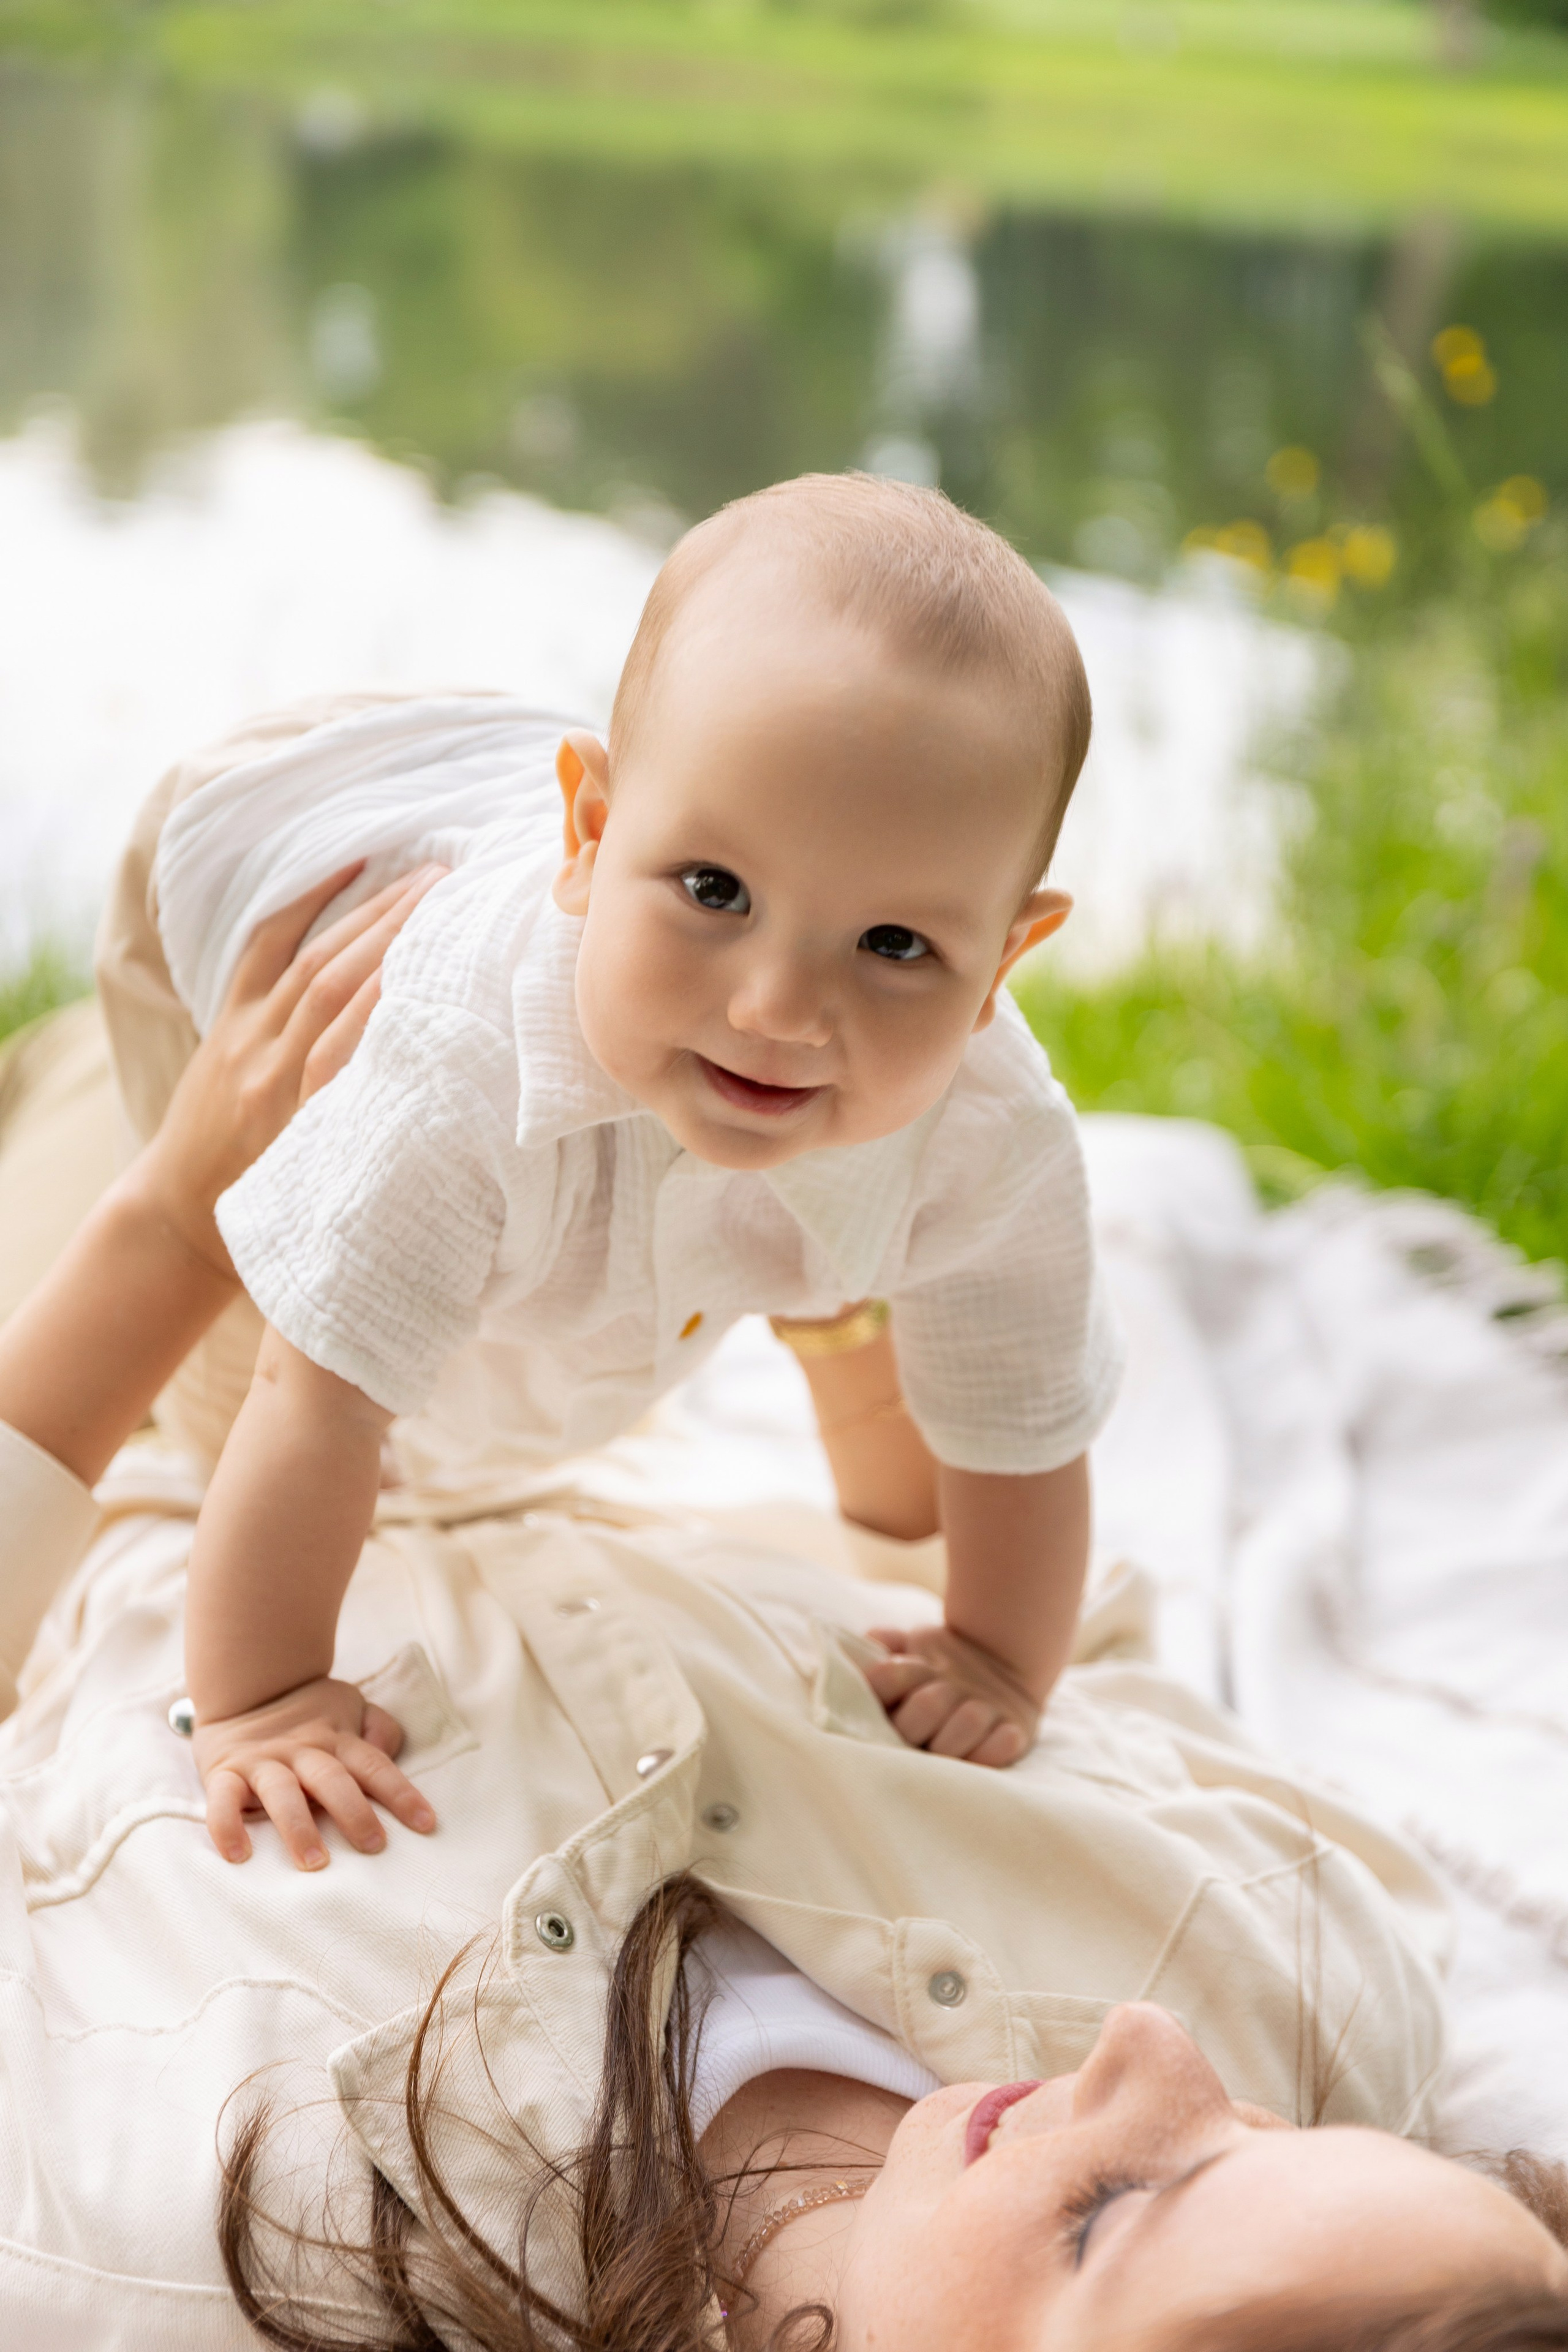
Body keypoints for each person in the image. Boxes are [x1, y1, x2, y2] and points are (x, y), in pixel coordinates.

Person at [0, 866, 1566, 2348]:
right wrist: (846, 1340)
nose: (1147, 2056)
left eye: (1111, 2212)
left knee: (118, 1033)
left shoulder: (189, 2234)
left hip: (118, 1423)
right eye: (1261, 2127)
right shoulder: (1306, 1980)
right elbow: (1004, 1638)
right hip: (561, 1382)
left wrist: (169, 1217)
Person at [134, 473, 1124, 1868]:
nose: (779, 1009)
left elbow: (1023, 1418)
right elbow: (318, 1399)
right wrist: (264, 1699)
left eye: (894, 946)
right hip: (270, 888)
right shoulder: (453, 1049)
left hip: (559, 832)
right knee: (223, 1369)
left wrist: (997, 1660)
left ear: (1001, 967)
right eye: (714, 891)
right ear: (591, 842)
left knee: (567, 1285)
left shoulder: (991, 1129)